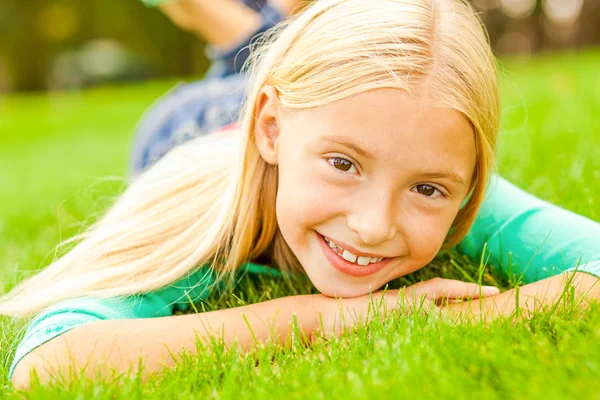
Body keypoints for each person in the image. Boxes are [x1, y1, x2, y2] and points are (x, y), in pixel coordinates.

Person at [3, 0, 599, 391]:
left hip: (294, 101)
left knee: (280, 52)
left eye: (426, 189)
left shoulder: (439, 164)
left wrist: (477, 317)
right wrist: (352, 315)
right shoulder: (210, 207)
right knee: (253, 64)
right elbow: (47, 362)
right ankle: (233, 26)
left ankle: (256, 30)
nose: (372, 225)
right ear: (272, 130)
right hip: (197, 125)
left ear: (468, 179)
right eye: (343, 164)